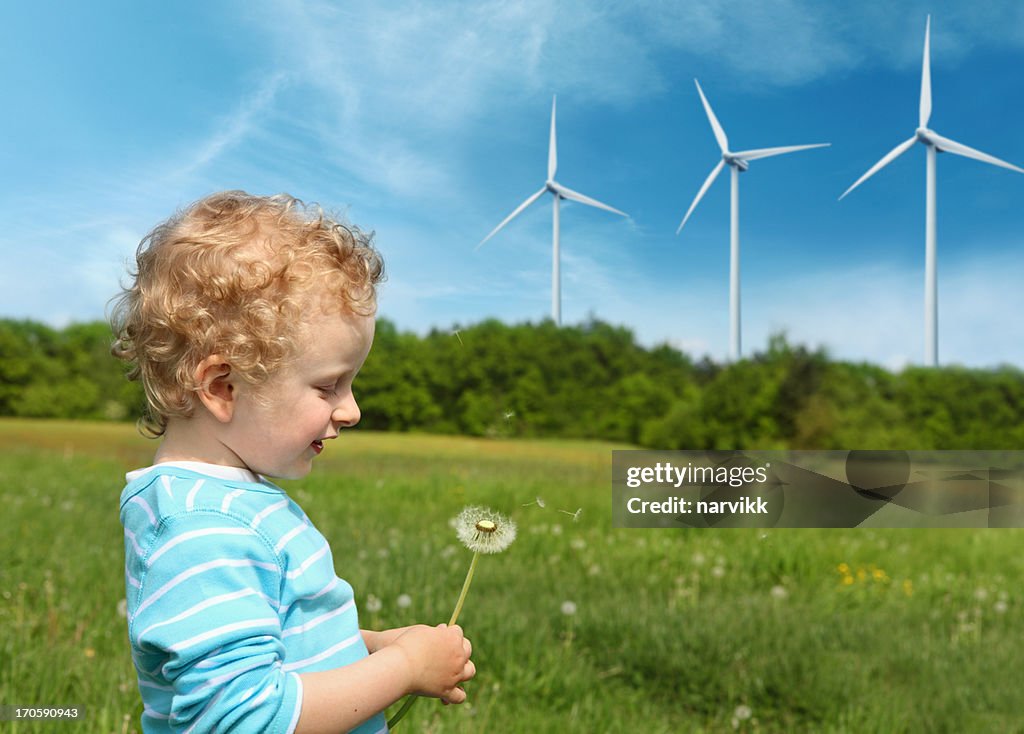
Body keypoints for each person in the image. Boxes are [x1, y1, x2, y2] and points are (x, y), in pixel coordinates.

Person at [111, 191, 474, 733]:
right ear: (222, 386)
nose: (351, 410)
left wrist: (371, 646)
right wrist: (402, 670)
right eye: (328, 386)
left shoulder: (227, 506)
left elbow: (276, 650)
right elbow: (244, 717)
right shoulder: (203, 530)